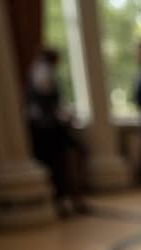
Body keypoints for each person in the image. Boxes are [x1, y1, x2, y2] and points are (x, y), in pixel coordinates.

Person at [27, 48, 86, 216]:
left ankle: (68, 200)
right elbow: (47, 104)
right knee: (59, 166)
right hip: (48, 131)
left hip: (47, 129)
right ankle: (65, 201)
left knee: (62, 165)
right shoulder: (43, 71)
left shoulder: (38, 70)